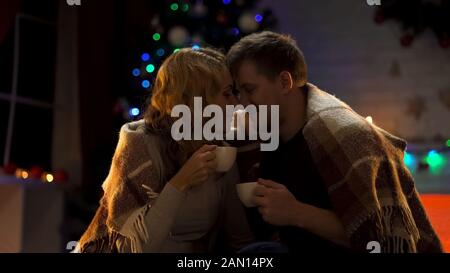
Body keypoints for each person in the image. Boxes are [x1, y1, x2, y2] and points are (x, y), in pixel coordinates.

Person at [226, 31, 443, 253]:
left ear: (284, 82)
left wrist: (297, 213)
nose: (241, 102)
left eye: (249, 89)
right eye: (238, 92)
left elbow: (380, 237)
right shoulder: (267, 139)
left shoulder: (348, 138)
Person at [77, 48, 253, 253]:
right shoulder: (140, 143)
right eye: (226, 93)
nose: (235, 103)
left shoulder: (221, 150)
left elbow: (240, 239)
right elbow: (129, 248)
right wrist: (180, 183)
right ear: (196, 101)